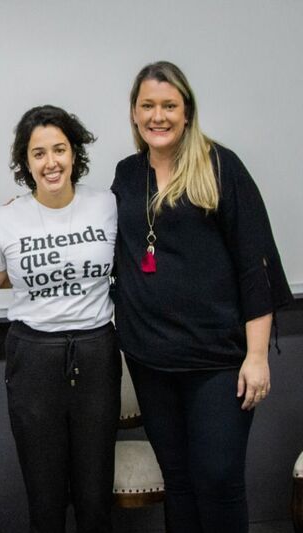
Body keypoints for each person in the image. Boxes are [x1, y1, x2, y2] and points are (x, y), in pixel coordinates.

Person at [111, 61, 293, 533]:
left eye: (169, 105)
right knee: (180, 481)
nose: (159, 116)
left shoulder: (220, 166)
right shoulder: (127, 177)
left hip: (218, 362)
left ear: (187, 112)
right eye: (148, 105)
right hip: (151, 360)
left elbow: (257, 266)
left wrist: (257, 356)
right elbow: (97, 240)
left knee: (218, 479)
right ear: (133, 113)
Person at [0, 105, 120, 533]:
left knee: (95, 499)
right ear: (26, 161)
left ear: (74, 154)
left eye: (59, 149)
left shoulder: (107, 204)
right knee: (45, 501)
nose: (51, 162)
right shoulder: (8, 218)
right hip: (33, 360)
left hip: (96, 355)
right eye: (39, 153)